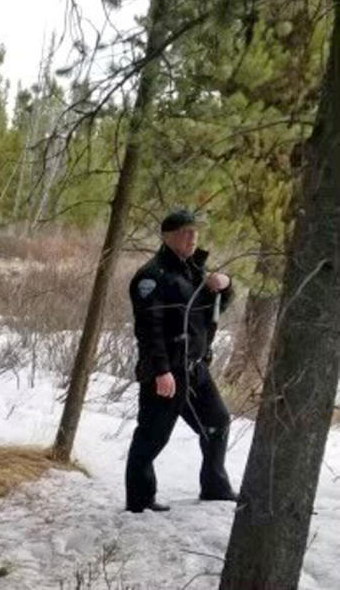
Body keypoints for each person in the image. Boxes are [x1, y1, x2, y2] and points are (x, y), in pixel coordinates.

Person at [125, 209, 238, 512]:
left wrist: (225, 286)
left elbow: (213, 309)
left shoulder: (194, 271)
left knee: (217, 422)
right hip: (166, 371)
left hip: (195, 368)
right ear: (168, 236)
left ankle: (215, 487)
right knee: (152, 436)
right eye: (186, 232)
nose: (192, 237)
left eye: (195, 231)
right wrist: (162, 371)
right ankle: (139, 501)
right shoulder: (151, 277)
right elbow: (149, 330)